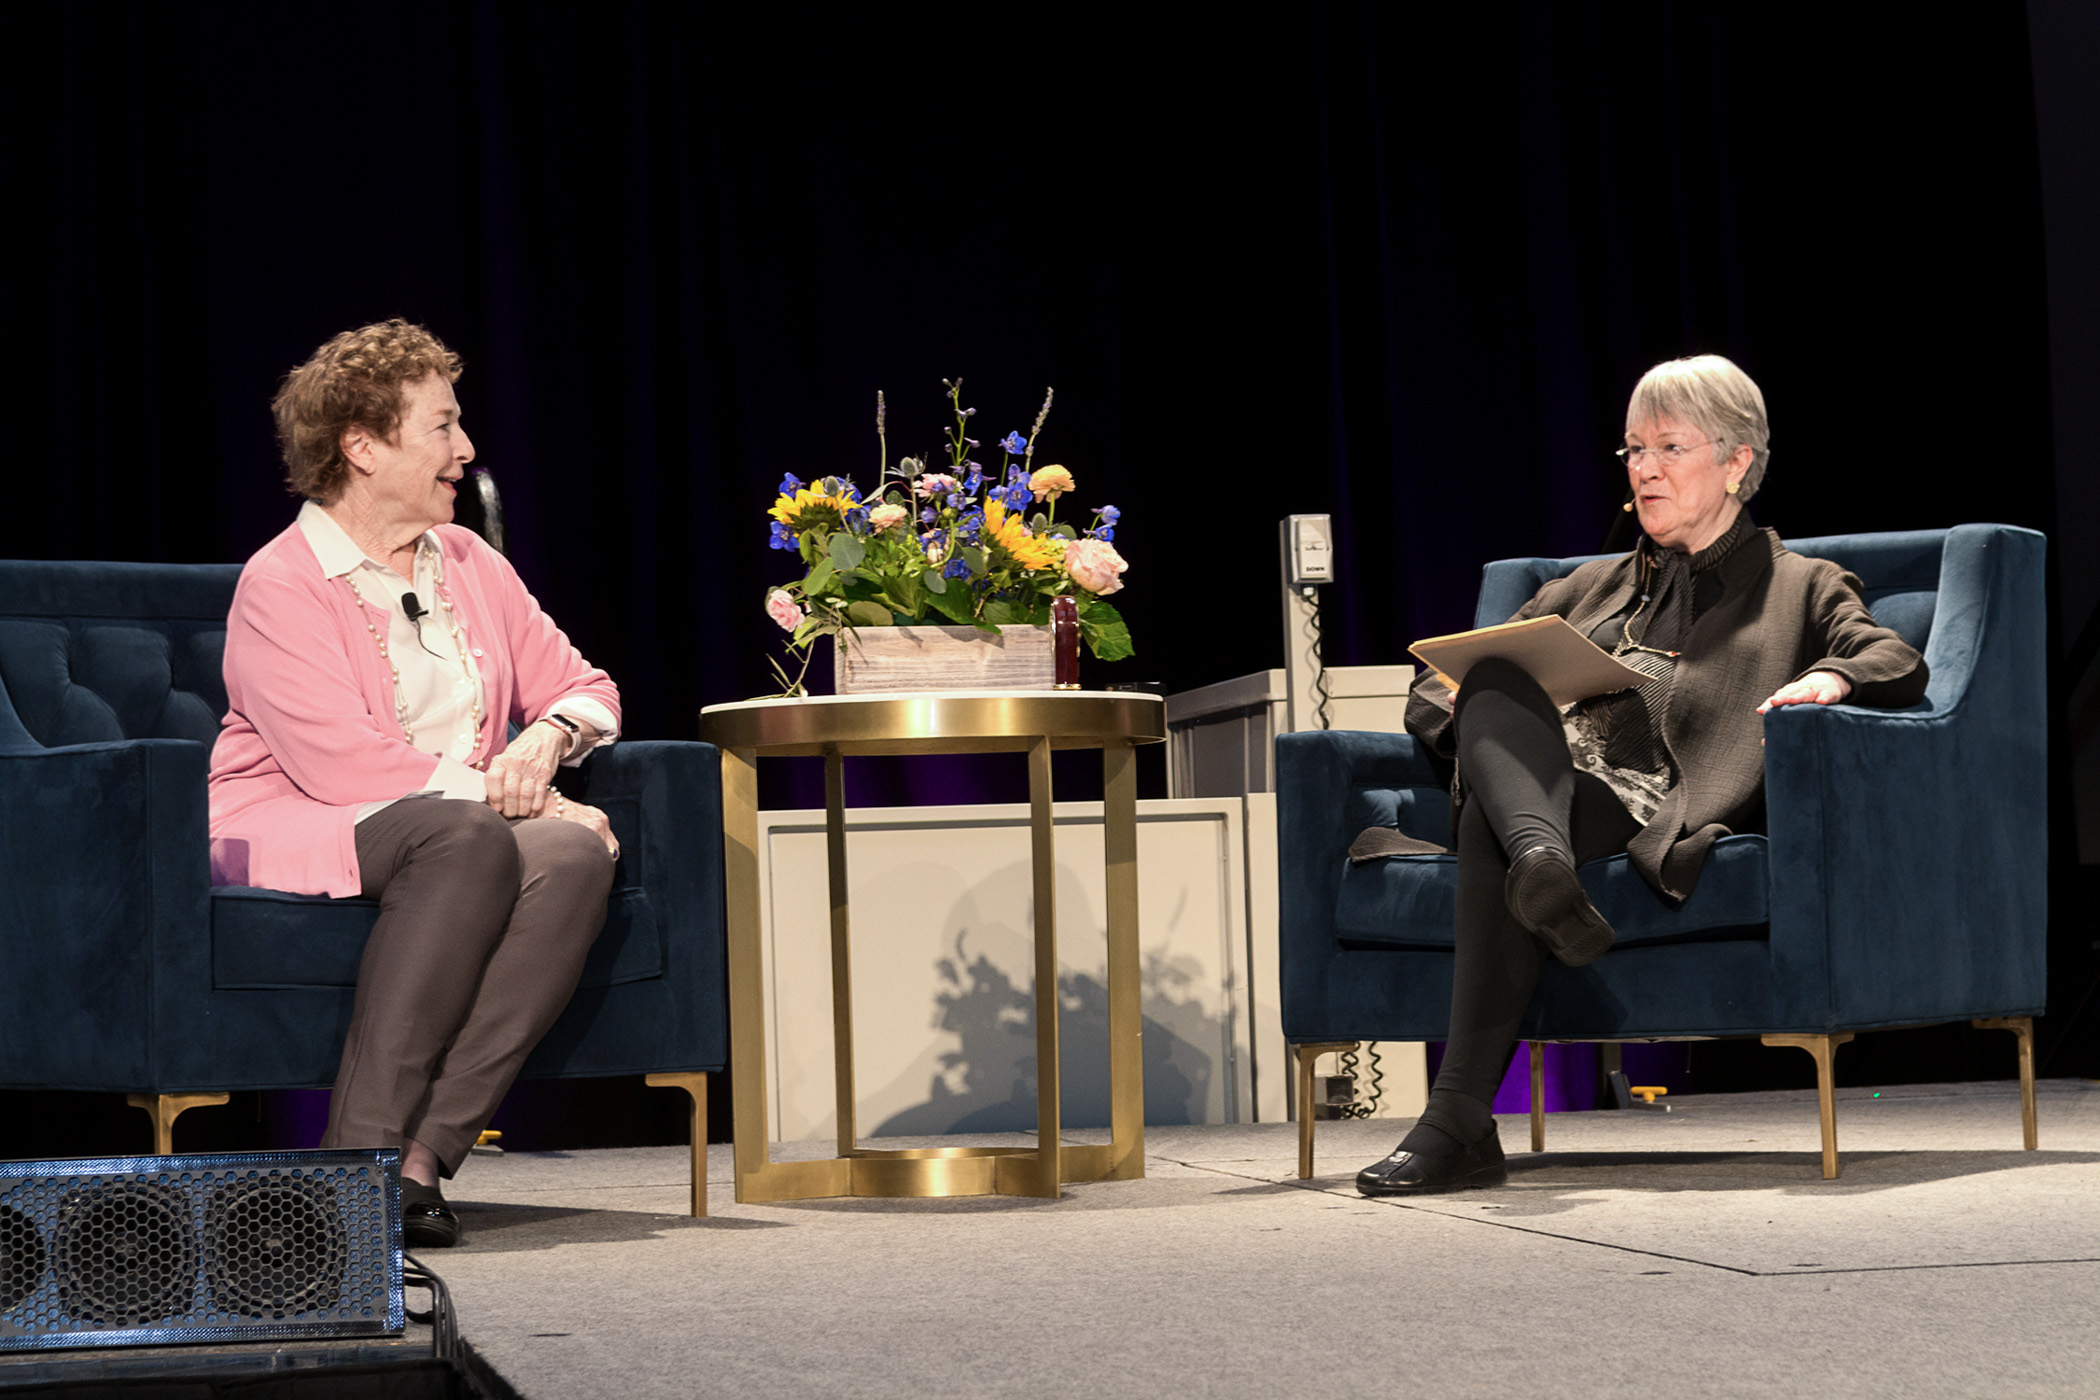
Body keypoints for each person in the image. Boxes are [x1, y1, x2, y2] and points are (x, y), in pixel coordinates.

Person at [1356, 354, 1927, 1196]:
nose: (1644, 469)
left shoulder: (1799, 585)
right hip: (1550, 787)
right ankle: (1538, 866)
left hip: (1655, 799)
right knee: (1491, 679)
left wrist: (1831, 677)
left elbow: (1893, 655)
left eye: (1668, 447)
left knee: (1494, 819)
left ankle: (1460, 1120)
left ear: (1737, 462)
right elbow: (1431, 692)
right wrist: (1492, 722)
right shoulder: (1586, 586)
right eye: (1632, 450)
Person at [209, 320, 622, 1246]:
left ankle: (419, 1163)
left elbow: (589, 687)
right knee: (474, 833)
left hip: (450, 824)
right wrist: (514, 793)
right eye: (441, 427)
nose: (465, 450)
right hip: (296, 816)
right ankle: (353, 1163)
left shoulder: (472, 563)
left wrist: (548, 743)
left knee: (567, 857)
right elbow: (340, 766)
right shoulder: (282, 581)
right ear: (362, 446)